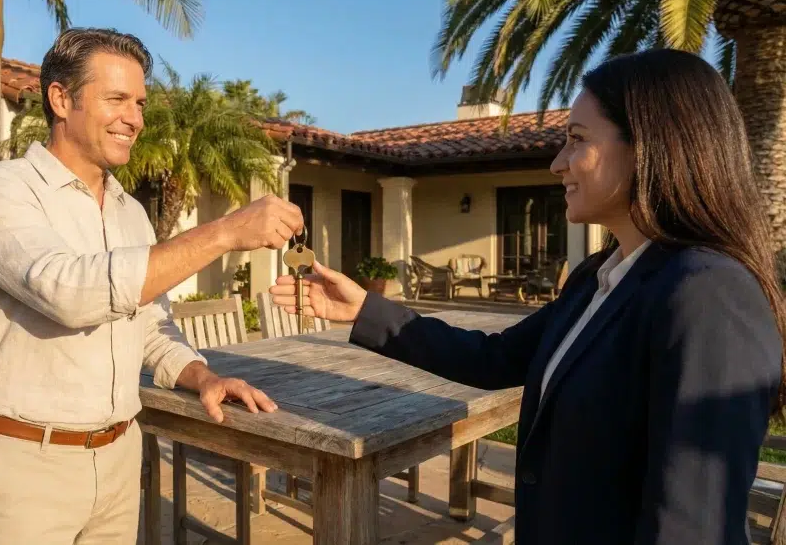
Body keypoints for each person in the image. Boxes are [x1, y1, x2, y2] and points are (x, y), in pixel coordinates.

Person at [270, 48, 786, 545]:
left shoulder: (709, 294)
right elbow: (495, 358)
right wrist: (362, 308)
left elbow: (691, 526)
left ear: (651, 146)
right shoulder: (600, 277)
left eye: (576, 140)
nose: (558, 163)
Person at [0, 28, 303, 544]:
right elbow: (68, 293)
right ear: (61, 99)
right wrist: (224, 231)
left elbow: (151, 327)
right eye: (116, 99)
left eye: (139, 102)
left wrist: (201, 376)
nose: (134, 118)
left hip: (119, 460)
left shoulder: (129, 212)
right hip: (24, 466)